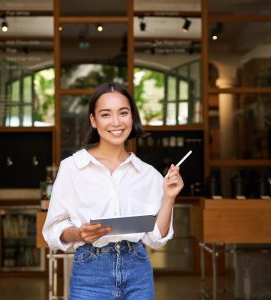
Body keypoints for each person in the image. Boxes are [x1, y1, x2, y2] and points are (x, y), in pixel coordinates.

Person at [42, 82, 184, 300]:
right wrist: (79, 233)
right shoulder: (72, 167)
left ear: (132, 117)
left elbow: (157, 239)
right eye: (106, 114)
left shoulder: (148, 174)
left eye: (123, 113)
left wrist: (169, 198)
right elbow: (54, 229)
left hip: (138, 270)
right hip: (90, 271)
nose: (116, 122)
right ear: (93, 120)